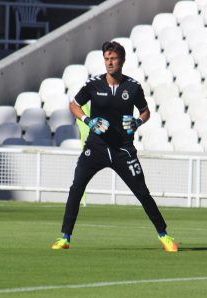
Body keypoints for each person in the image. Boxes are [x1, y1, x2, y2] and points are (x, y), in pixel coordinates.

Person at [52, 41, 178, 252]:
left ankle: (164, 235)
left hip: (123, 149)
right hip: (96, 147)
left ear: (122, 61)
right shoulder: (93, 85)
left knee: (142, 192)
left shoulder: (133, 87)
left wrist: (138, 122)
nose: (109, 63)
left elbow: (145, 112)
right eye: (107, 59)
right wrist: (88, 120)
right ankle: (65, 238)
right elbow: (73, 105)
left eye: (113, 59)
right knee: (76, 189)